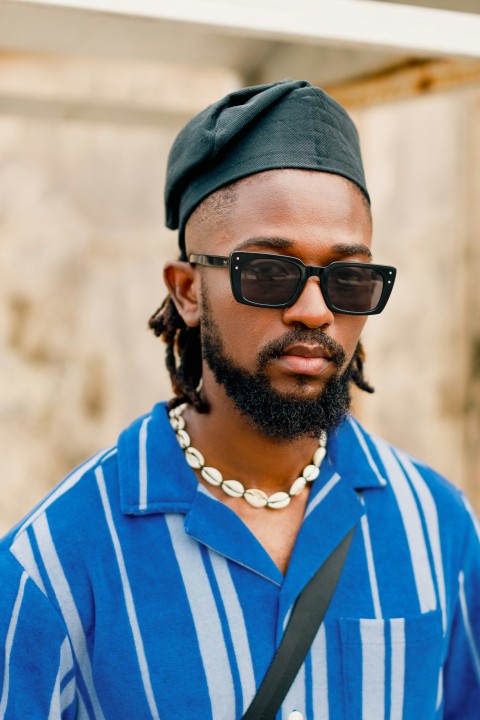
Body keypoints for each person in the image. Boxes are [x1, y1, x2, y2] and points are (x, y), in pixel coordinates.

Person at [0, 79, 479, 720]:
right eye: (270, 272)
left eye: (349, 277)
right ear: (187, 292)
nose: (315, 310)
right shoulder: (53, 565)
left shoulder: (439, 527)